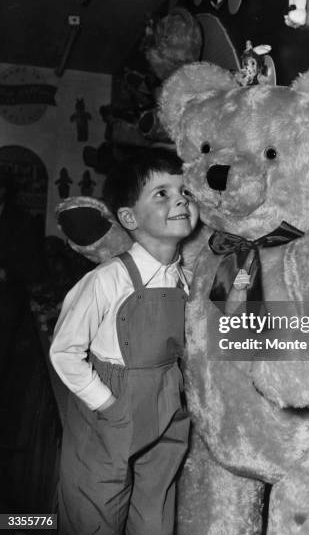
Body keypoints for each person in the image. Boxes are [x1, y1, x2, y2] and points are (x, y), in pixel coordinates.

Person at [50, 149, 199, 535]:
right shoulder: (107, 280)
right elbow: (64, 351)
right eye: (162, 193)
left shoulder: (186, 277)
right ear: (129, 218)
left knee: (155, 510)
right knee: (95, 511)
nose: (180, 199)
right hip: (113, 405)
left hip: (166, 399)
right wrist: (109, 406)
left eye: (184, 191)